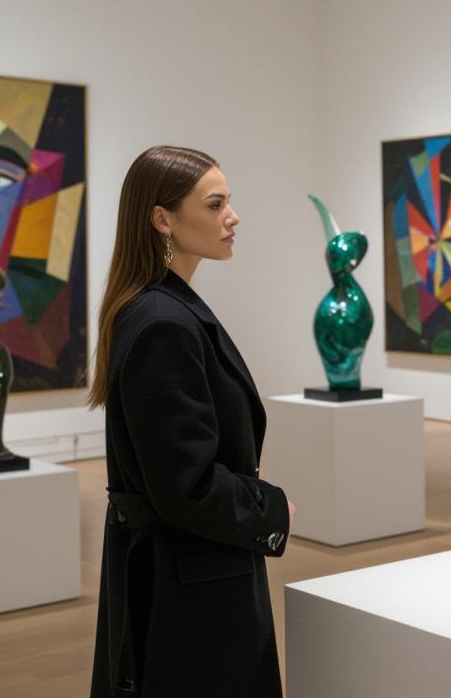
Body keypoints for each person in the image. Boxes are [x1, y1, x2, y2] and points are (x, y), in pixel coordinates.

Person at [88, 145, 294, 697]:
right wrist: (270, 506)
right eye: (215, 203)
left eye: (229, 201)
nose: (233, 217)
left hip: (185, 568)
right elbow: (185, 485)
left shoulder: (162, 308)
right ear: (163, 219)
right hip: (187, 582)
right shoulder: (163, 322)